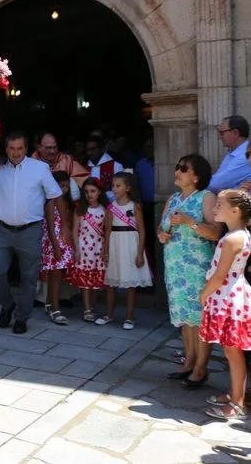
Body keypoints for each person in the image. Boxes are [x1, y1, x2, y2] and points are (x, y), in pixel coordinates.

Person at [0, 132, 65, 334]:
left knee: (28, 277)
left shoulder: (40, 168)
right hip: (2, 229)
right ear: (7, 149)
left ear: (26, 149)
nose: (16, 152)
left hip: (30, 230)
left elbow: (55, 195)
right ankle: (8, 304)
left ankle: (22, 317)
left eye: (19, 148)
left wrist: (65, 226)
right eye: (12, 148)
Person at [158, 154, 218, 386]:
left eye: (183, 168)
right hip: (175, 265)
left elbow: (214, 232)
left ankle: (201, 368)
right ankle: (189, 360)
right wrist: (162, 235)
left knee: (200, 317)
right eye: (177, 167)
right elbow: (161, 227)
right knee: (186, 317)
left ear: (197, 176)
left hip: (197, 266)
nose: (178, 171)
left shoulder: (206, 197)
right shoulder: (173, 198)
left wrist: (188, 222)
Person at [199, 189, 251, 420]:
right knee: (231, 350)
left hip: (228, 296)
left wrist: (205, 293)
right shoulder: (239, 235)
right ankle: (234, 394)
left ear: (235, 210)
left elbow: (220, 276)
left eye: (219, 205)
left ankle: (237, 402)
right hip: (231, 295)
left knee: (233, 351)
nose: (214, 209)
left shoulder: (232, 239)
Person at [98, 172, 152, 329]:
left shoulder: (135, 206)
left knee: (130, 284)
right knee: (111, 282)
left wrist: (140, 253)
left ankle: (129, 317)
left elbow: (142, 231)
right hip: (115, 243)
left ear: (128, 188)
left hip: (130, 244)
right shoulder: (110, 208)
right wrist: (106, 250)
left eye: (118, 185)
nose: (114, 189)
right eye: (113, 185)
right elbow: (107, 230)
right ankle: (109, 314)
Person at [70, 178, 109, 321]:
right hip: (84, 247)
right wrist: (76, 249)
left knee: (96, 281)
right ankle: (86, 309)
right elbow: (75, 230)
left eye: (92, 191)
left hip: (98, 247)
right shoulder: (80, 209)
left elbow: (106, 231)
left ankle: (92, 306)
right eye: (86, 192)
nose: (89, 195)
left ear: (99, 192)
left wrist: (106, 250)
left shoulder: (105, 210)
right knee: (85, 281)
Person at [40, 171, 74, 325]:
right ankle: (56, 309)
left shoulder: (66, 202)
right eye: (61, 186)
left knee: (58, 276)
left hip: (63, 242)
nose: (64, 189)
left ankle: (49, 303)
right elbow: (51, 227)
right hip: (54, 243)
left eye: (67, 186)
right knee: (55, 276)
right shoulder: (50, 202)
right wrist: (55, 246)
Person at [33, 132, 89, 200]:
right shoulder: (31, 164)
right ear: (39, 147)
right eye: (48, 148)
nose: (52, 151)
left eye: (55, 147)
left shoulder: (67, 160)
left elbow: (86, 181)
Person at [209, 115, 251, 193]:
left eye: (221, 133)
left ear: (235, 132)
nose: (219, 137)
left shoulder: (245, 156)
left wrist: (194, 181)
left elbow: (214, 184)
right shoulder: (233, 153)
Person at [86, 134, 123, 201]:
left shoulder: (116, 166)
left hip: (112, 206)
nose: (89, 153)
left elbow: (121, 191)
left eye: (93, 149)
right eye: (88, 150)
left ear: (102, 149)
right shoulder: (84, 168)